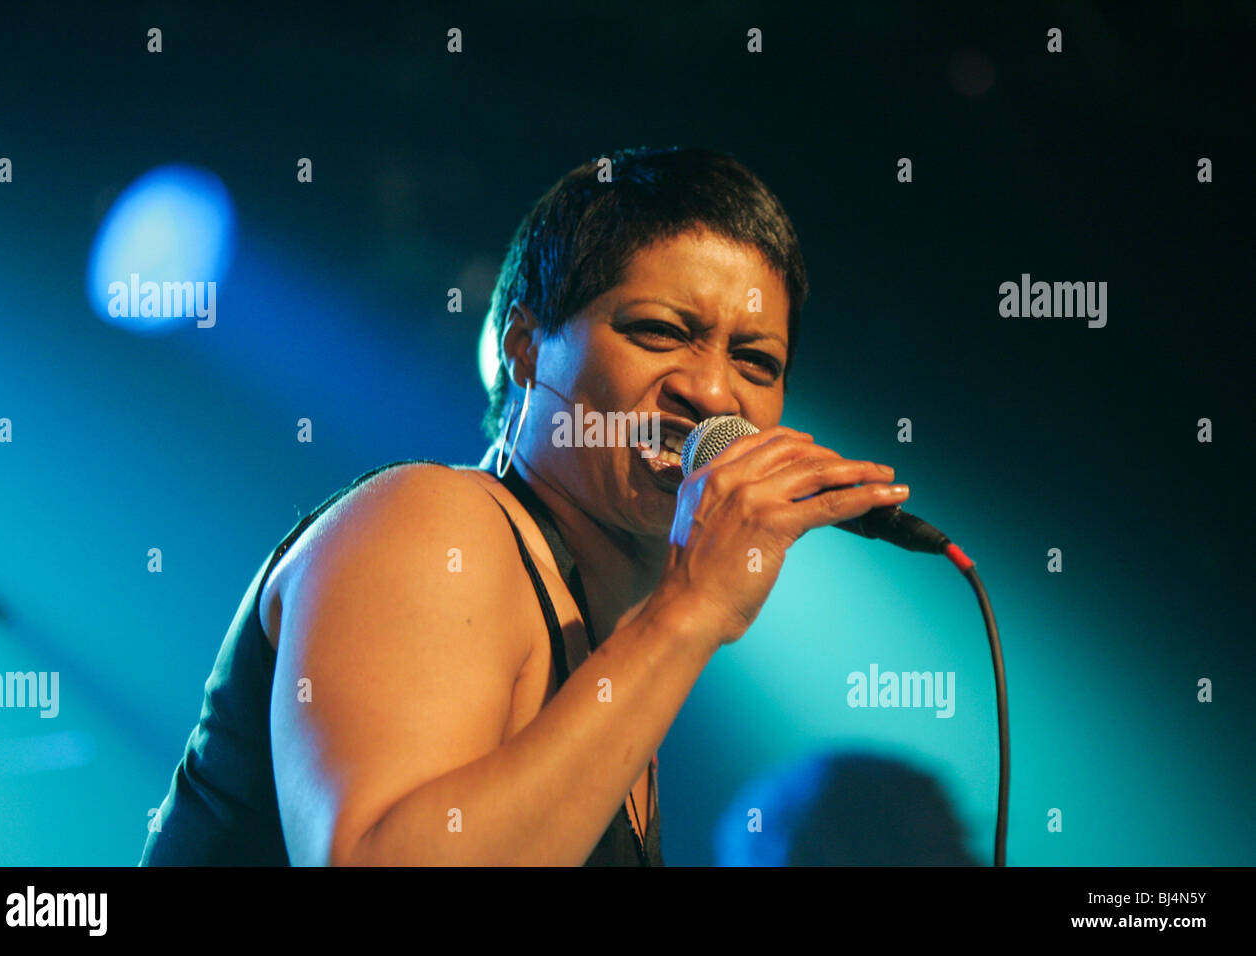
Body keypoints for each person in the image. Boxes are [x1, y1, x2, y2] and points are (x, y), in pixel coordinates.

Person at [140, 145, 909, 866]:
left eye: (755, 360)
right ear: (524, 345)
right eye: (659, 331)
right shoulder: (435, 520)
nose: (712, 393)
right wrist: (690, 609)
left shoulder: (605, 653)